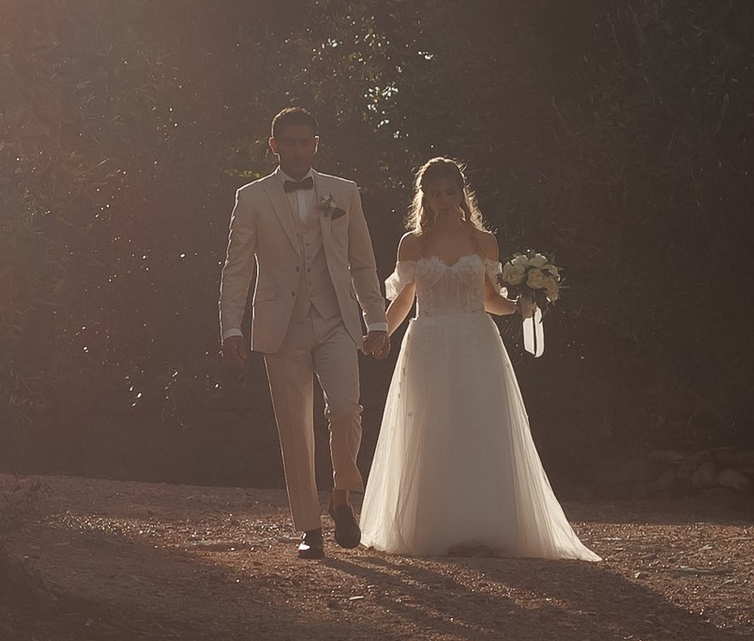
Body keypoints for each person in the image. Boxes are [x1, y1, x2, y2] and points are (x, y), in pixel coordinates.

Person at [359, 153, 598, 563]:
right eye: (435, 193)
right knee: (432, 428)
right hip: (429, 343)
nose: (444, 199)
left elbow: (490, 299)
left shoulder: (482, 241)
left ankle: (485, 526)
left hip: (475, 340)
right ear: (425, 197)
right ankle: (436, 528)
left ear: (461, 193)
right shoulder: (412, 243)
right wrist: (381, 332)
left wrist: (523, 305)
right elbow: (404, 299)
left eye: (450, 191)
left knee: (478, 427)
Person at [218, 108, 391, 558]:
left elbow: (362, 261)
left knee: (348, 409)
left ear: (316, 143)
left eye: (305, 142)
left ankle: (341, 496)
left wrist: (377, 319)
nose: (298, 150)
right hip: (282, 326)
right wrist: (231, 326)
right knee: (295, 426)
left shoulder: (344, 192)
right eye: (288, 142)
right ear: (273, 145)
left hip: (336, 319)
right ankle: (309, 529)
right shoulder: (251, 198)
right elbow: (237, 267)